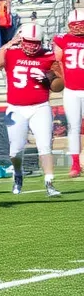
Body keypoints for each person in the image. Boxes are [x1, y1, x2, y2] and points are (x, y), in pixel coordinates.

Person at [0, 23, 63, 197]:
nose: (31, 46)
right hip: (16, 108)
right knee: (15, 150)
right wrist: (7, 46)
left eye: (35, 42)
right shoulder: (11, 53)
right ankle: (18, 175)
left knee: (45, 146)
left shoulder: (49, 57)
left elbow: (59, 86)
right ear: (21, 39)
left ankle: (49, 182)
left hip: (40, 106)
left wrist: (48, 79)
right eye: (27, 41)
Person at [54, 10, 84, 179]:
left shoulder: (62, 39)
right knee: (74, 127)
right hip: (72, 90)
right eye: (75, 25)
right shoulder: (62, 39)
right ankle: (75, 164)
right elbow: (57, 61)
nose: (79, 28)